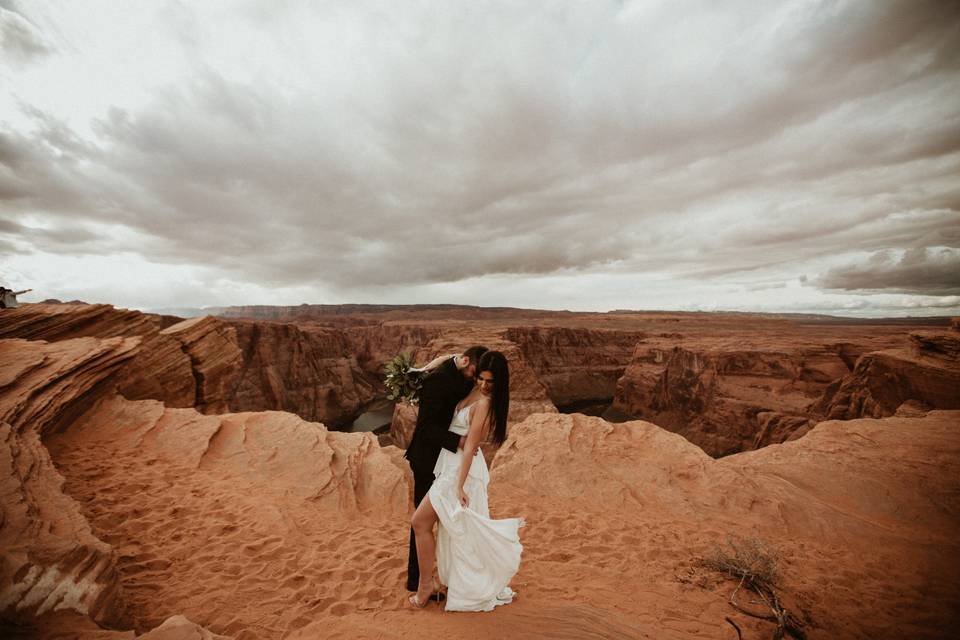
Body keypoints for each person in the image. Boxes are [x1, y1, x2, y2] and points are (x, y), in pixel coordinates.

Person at [409, 350, 524, 611]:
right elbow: (450, 364)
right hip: (450, 465)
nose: (483, 385)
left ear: (499, 383)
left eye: (490, 382)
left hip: (461, 471)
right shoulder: (472, 390)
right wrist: (443, 361)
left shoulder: (485, 404)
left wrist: (459, 485)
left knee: (420, 522)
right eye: (481, 378)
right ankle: (430, 583)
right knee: (442, 528)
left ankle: (425, 586)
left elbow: (471, 446)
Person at [405, 345, 489, 596]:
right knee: (422, 520)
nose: (477, 379)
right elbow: (427, 427)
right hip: (427, 459)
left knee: (442, 520)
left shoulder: (462, 376)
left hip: (448, 461)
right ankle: (417, 580)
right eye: (475, 372)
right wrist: (460, 442)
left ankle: (448, 576)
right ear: (464, 361)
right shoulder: (438, 381)